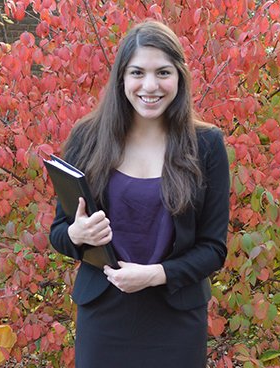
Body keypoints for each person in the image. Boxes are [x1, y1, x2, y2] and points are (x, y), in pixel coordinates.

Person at [49, 21, 230, 368]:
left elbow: (214, 248)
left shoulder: (206, 145)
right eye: (137, 72)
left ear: (179, 76)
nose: (150, 86)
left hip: (176, 318)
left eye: (163, 72)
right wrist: (77, 234)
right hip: (103, 315)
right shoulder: (87, 138)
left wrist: (154, 274)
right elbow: (59, 233)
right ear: (121, 78)